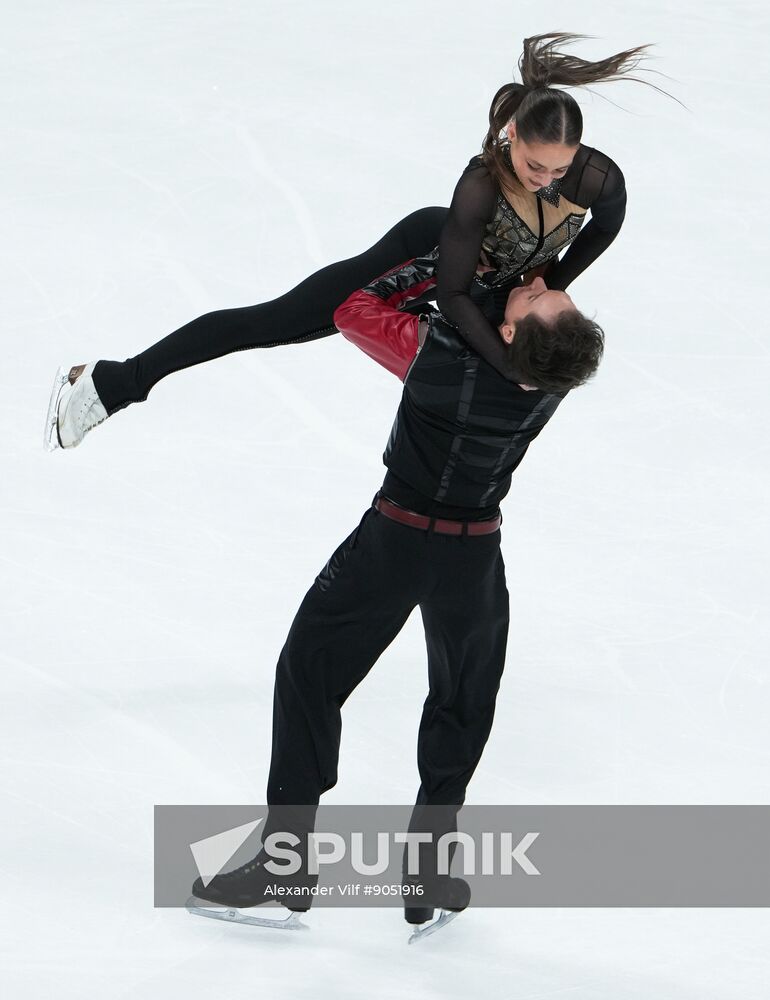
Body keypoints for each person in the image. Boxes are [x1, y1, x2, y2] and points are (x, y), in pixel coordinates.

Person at [187, 255, 605, 931]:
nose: (540, 285)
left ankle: (283, 866)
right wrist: (513, 294)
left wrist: (445, 263)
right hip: (474, 555)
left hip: (395, 542)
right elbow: (533, 323)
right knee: (463, 702)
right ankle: (429, 869)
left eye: (539, 297)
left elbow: (353, 310)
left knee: (308, 673)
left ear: (508, 336)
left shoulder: (438, 354)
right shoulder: (551, 376)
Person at [45, 32, 652, 451]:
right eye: (534, 165)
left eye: (558, 169)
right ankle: (109, 384)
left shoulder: (594, 176)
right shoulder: (480, 185)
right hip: (433, 263)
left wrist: (549, 284)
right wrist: (506, 361)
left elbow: (606, 224)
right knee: (276, 321)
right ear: (512, 135)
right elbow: (454, 293)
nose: (547, 181)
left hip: (497, 289)